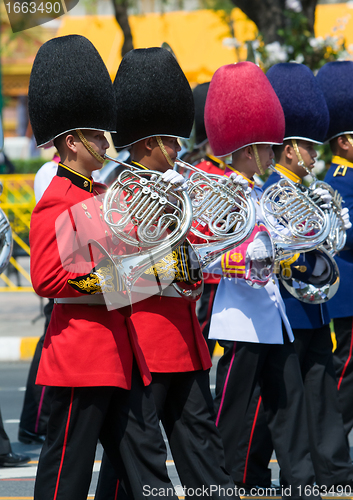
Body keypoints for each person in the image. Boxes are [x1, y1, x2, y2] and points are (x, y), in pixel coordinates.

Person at [28, 35, 180, 500]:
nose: (106, 143)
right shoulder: (56, 198)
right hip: (81, 357)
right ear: (72, 143)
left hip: (121, 351)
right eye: (97, 136)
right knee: (67, 474)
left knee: (147, 465)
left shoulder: (101, 196)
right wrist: (125, 277)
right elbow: (48, 280)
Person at [95, 47, 242, 500]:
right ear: (145, 144)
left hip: (185, 340)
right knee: (135, 466)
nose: (180, 151)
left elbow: (188, 269)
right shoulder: (118, 193)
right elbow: (112, 274)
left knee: (204, 453)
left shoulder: (176, 186)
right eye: (171, 142)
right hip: (145, 340)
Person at [204, 61, 325, 500]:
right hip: (239, 318)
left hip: (272, 316)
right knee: (236, 413)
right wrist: (246, 259)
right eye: (268, 147)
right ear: (248, 147)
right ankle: (229, 482)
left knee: (287, 403)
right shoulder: (225, 192)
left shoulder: (264, 191)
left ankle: (302, 483)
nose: (275, 155)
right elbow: (209, 259)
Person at [230, 62, 353, 491]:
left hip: (313, 312)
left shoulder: (307, 190)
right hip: (287, 313)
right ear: (289, 148)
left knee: (320, 406)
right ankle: (269, 479)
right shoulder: (268, 194)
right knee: (279, 409)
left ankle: (332, 477)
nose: (317, 155)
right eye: (309, 146)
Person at [317, 60, 353, 440]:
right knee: (345, 373)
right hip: (349, 296)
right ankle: (331, 447)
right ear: (344, 140)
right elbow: (345, 231)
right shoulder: (339, 179)